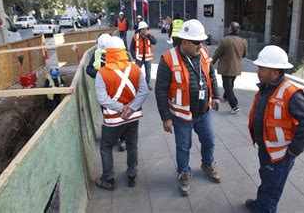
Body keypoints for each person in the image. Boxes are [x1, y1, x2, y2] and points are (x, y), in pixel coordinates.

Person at [245, 45, 304, 213]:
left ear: (275, 72)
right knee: (267, 180)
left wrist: (293, 150)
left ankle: (263, 208)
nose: (257, 71)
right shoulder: (267, 86)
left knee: (272, 191)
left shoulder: (290, 93)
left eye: (261, 68)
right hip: (267, 149)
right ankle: (260, 204)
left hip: (280, 155)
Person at [155, 19, 221, 197]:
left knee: (209, 141)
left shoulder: (204, 53)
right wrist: (166, 118)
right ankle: (184, 173)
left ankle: (208, 164)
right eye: (197, 42)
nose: (201, 45)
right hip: (181, 116)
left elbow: (212, 76)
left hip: (204, 112)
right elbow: (160, 91)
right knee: (183, 147)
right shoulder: (168, 60)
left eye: (202, 41)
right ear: (184, 42)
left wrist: (215, 96)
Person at [95, 36, 149, 190]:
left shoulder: (102, 73)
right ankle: (132, 175)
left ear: (108, 54)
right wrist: (130, 109)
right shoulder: (135, 69)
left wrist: (120, 108)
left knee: (106, 148)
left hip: (112, 120)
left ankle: (108, 179)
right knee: (132, 145)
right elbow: (143, 92)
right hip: (132, 117)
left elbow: (102, 99)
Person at [86, 33, 127, 151]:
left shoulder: (118, 53)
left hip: (118, 90)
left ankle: (122, 139)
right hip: (103, 91)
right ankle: (112, 137)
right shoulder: (97, 54)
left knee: (121, 114)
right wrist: (100, 75)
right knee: (107, 115)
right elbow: (88, 69)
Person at [212, 22, 248, 114]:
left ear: (230, 30)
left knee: (227, 85)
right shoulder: (243, 41)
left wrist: (211, 62)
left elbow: (217, 53)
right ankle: (226, 96)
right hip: (236, 67)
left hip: (226, 67)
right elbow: (244, 55)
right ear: (238, 30)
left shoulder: (224, 40)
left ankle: (234, 105)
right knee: (230, 83)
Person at [130, 21, 157, 90]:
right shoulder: (135, 37)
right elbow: (131, 48)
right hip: (139, 59)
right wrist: (134, 56)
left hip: (148, 59)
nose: (145, 30)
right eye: (143, 29)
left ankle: (147, 84)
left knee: (148, 73)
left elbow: (154, 42)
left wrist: (148, 36)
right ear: (140, 30)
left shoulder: (149, 36)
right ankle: (137, 85)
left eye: (146, 29)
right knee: (137, 73)